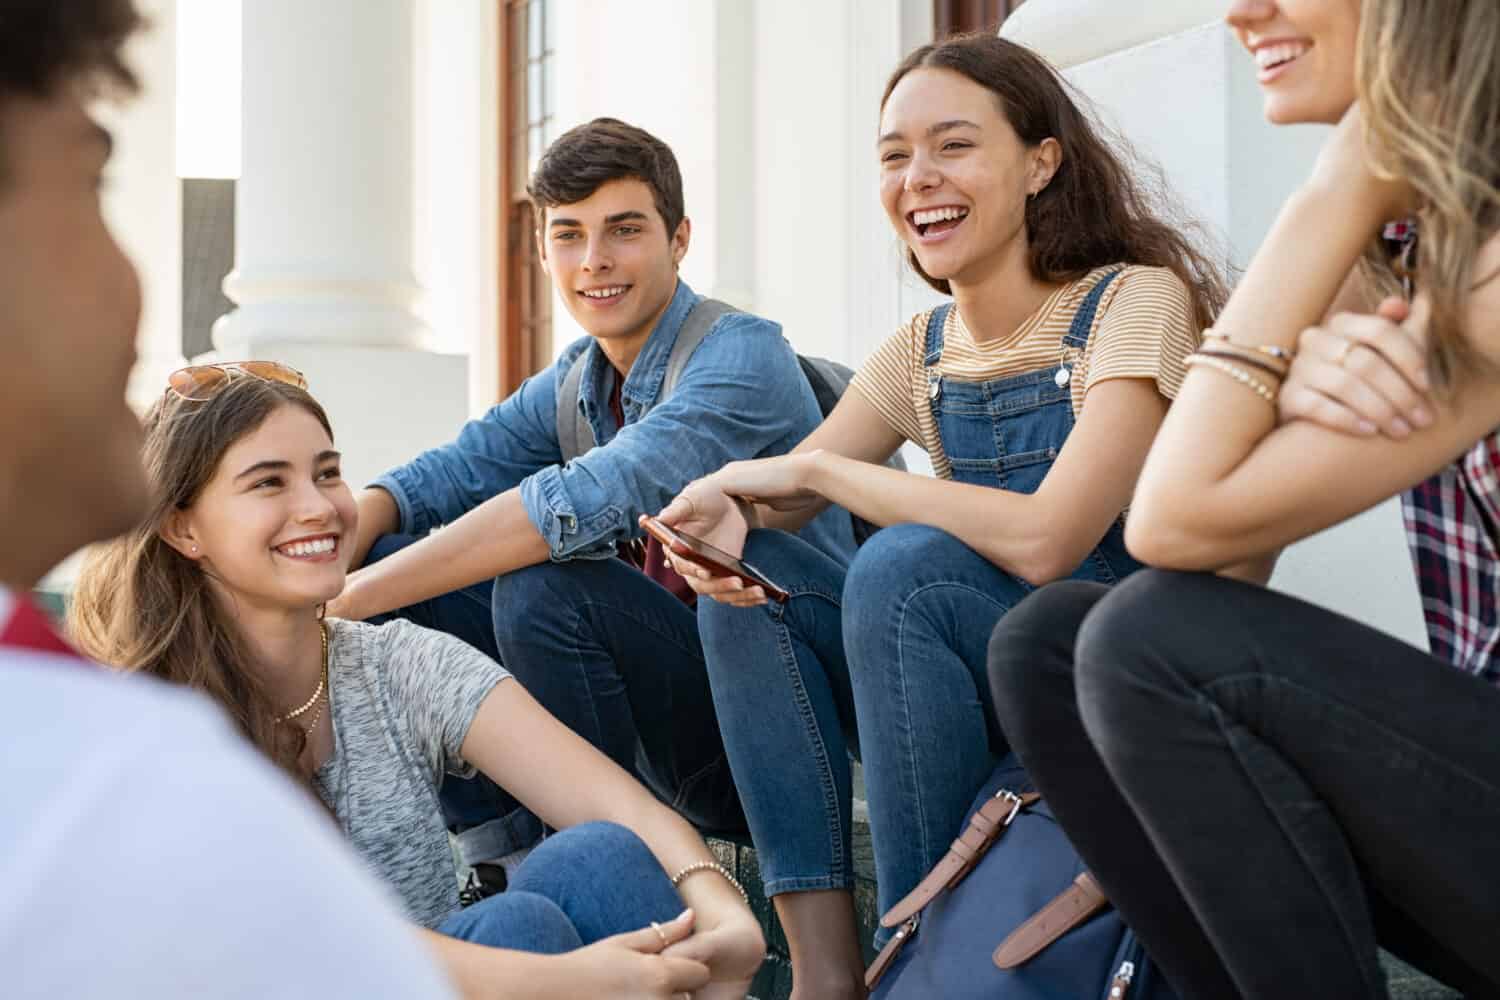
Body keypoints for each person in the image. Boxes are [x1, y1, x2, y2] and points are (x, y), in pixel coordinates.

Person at [653, 33, 1232, 1000]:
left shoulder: (1133, 302)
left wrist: (824, 479)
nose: (918, 178)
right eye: (893, 155)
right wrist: (730, 506)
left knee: (905, 568)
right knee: (751, 593)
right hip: (963, 678)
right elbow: (797, 485)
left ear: (1042, 162)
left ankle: (923, 963)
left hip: (1103, 680)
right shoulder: (919, 349)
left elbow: (1051, 539)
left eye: (953, 145)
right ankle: (830, 975)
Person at [987, 1, 1500, 997]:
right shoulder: (1408, 246)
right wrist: (1285, 379)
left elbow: (1170, 523)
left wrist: (1340, 179)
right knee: (1050, 645)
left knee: (1143, 640)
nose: (1241, 9)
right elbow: (1207, 566)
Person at [0, 3, 460, 997]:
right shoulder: (114, 779)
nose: (133, 284)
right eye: (89, 184)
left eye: (326, 470)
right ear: (184, 526)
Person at [68, 367, 765, 1000]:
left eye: (328, 473)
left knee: (600, 857)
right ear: (183, 528)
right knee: (518, 930)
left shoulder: (391, 665)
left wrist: (723, 909)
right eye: (269, 482)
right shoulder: (154, 721)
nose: (318, 508)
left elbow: (621, 808)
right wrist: (566, 979)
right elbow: (306, 948)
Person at [329, 118, 855, 867]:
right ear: (542, 249)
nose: (594, 262)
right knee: (398, 561)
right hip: (648, 709)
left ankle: (593, 863)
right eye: (568, 235)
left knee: (544, 589)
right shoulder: (581, 377)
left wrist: (342, 603)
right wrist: (330, 572)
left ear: (679, 239)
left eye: (624, 230)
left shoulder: (742, 355)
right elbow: (440, 478)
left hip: (766, 734)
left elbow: (571, 504)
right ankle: (504, 857)